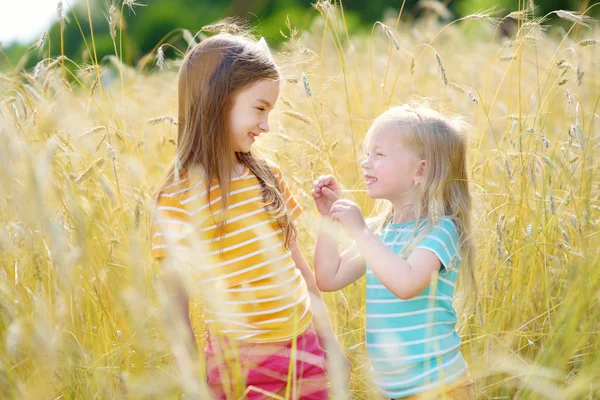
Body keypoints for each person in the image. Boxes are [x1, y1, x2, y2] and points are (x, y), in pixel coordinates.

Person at [151, 33, 347, 400]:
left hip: (304, 351)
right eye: (260, 108)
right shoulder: (177, 195)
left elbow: (300, 268)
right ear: (218, 100)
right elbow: (175, 304)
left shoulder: (267, 177)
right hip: (239, 367)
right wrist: (194, 379)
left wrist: (329, 344)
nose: (267, 125)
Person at [312, 104, 478, 399]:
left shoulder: (440, 232)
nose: (366, 162)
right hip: (392, 392)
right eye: (367, 153)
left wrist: (361, 232)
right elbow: (329, 277)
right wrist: (329, 220)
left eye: (379, 154)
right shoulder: (379, 231)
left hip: (441, 387)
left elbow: (406, 283)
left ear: (420, 170)